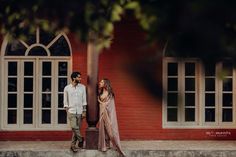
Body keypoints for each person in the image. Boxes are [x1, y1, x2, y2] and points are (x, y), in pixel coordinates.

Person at [98, 78, 126, 157]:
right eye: (100, 82)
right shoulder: (100, 93)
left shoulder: (110, 94)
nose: (100, 83)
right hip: (101, 113)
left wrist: (103, 104)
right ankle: (105, 145)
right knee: (103, 130)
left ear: (106, 83)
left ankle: (116, 145)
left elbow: (110, 105)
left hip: (108, 113)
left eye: (102, 82)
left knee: (111, 130)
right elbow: (100, 103)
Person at [64, 72, 87, 152]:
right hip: (71, 111)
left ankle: (73, 146)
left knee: (76, 130)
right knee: (74, 127)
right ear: (74, 78)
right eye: (79, 77)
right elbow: (65, 101)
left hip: (80, 111)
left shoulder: (82, 87)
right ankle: (81, 139)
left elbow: (84, 100)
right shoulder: (67, 88)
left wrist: (84, 111)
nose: (80, 79)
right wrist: (67, 111)